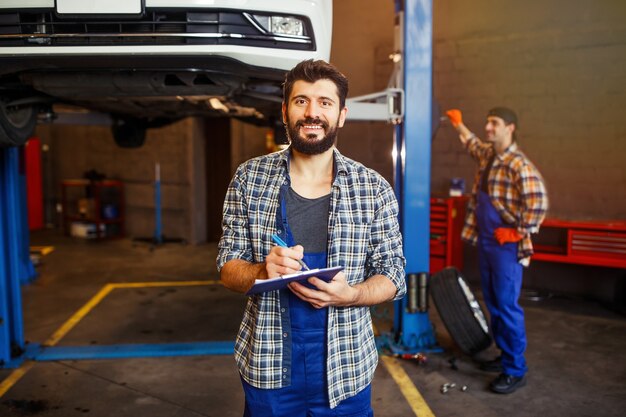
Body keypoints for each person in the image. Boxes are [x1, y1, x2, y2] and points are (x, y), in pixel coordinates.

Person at [217, 59, 407, 416]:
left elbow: (393, 275)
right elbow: (228, 268)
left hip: (346, 370)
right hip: (269, 369)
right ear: (285, 111)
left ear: (341, 115)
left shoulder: (372, 189)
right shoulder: (248, 179)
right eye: (301, 101)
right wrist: (261, 271)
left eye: (324, 102)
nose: (312, 112)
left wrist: (352, 295)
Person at [446, 107, 548, 394]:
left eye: (494, 123)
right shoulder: (489, 155)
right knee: (494, 302)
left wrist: (519, 230)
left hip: (506, 246)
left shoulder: (518, 164)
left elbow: (537, 201)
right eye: (487, 122)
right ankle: (505, 356)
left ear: (510, 128)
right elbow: (473, 144)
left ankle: (516, 370)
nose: (488, 128)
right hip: (488, 242)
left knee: (507, 306)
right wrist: (459, 124)